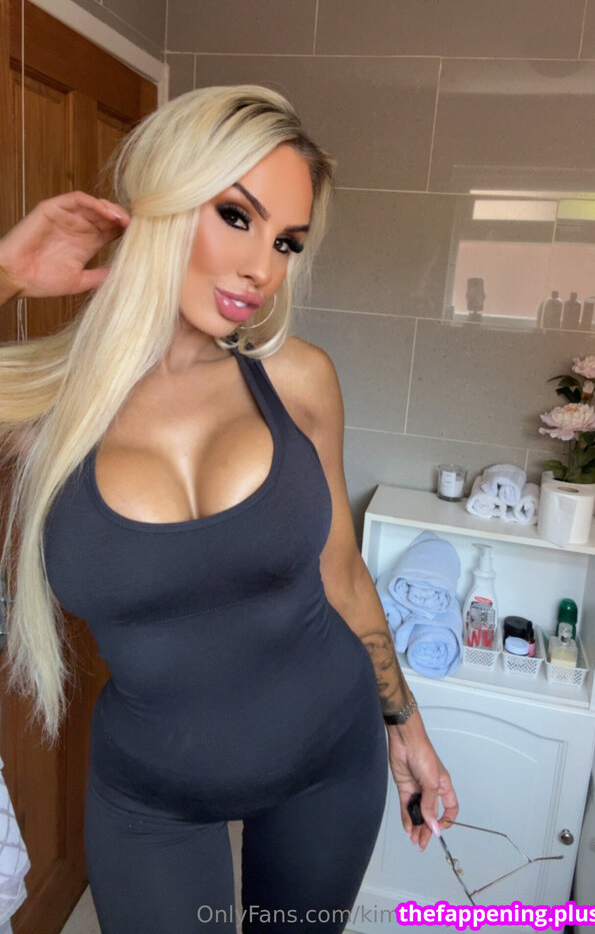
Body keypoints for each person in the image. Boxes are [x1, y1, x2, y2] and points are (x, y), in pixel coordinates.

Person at [0, 86, 457, 933]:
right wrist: (3, 274)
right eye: (237, 217)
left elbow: (343, 575)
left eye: (286, 242)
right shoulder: (39, 408)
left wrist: (407, 728)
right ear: (163, 203)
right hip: (151, 802)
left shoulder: (299, 380)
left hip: (331, 762)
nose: (263, 269)